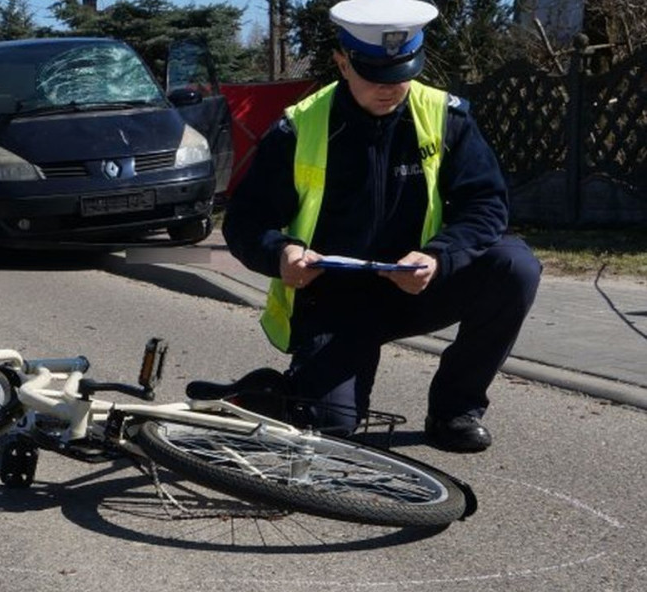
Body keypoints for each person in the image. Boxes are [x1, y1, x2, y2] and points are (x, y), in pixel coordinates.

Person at [222, 0, 542, 453]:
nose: (390, 88)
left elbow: (486, 204)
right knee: (330, 432)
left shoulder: (445, 116)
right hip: (335, 297)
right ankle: (279, 395)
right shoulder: (299, 127)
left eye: (401, 74)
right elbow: (246, 218)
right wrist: (280, 254)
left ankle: (454, 410)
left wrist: (438, 256)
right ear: (342, 62)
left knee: (515, 267)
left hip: (415, 284)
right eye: (374, 75)